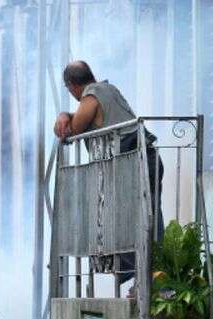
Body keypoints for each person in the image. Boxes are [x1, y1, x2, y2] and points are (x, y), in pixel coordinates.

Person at [53, 60, 164, 286]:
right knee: (145, 220)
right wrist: (67, 114)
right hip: (144, 158)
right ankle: (147, 281)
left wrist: (64, 116)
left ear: (72, 84)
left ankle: (148, 281)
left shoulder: (91, 96)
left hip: (131, 162)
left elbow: (72, 129)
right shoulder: (107, 89)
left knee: (130, 223)